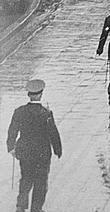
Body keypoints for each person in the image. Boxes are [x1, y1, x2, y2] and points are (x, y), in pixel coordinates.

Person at [6, 78, 62, 212]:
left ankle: (20, 206)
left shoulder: (19, 111)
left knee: (25, 178)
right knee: (41, 181)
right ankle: (36, 208)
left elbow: (12, 130)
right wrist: (57, 149)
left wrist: (11, 147)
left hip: (25, 151)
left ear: (28, 95)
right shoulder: (46, 114)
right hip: (42, 153)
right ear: (41, 94)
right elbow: (53, 133)